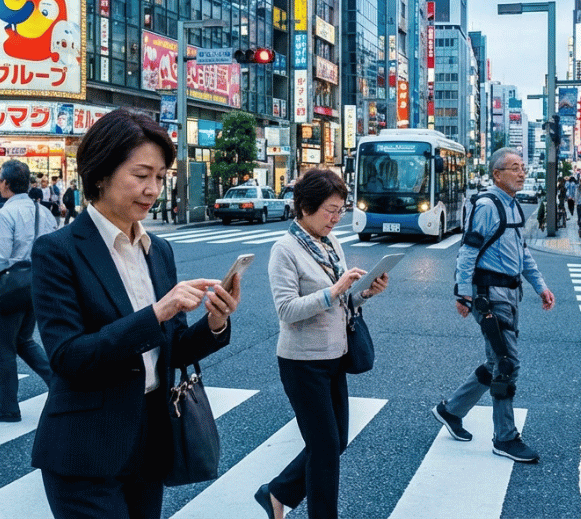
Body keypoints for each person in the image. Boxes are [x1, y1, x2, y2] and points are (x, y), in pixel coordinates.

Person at [29, 108, 242, 519]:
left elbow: (171, 350)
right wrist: (156, 314)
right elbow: (68, 357)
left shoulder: (158, 250)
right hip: (84, 451)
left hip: (149, 439)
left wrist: (215, 323)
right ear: (101, 173)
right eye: (141, 175)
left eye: (160, 177)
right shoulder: (58, 251)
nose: (153, 189)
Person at [256, 168, 389, 519]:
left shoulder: (331, 244)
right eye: (330, 210)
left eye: (340, 210)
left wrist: (363, 294)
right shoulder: (284, 250)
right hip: (302, 362)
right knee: (325, 447)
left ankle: (277, 492)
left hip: (335, 356)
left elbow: (342, 303)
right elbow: (286, 309)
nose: (336, 218)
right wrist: (334, 290)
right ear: (304, 208)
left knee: (335, 441)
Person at [432, 148, 555, 464]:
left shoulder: (513, 206)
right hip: (489, 295)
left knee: (497, 361)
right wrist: (463, 294)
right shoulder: (487, 205)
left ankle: (451, 409)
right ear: (497, 174)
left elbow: (523, 253)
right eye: (515, 168)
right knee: (506, 362)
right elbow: (467, 252)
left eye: (523, 167)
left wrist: (540, 286)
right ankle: (505, 437)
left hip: (511, 294)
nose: (522, 173)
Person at [0, 160, 55, 422]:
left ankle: (7, 408)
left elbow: (1, 258)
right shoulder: (41, 211)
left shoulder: (5, 214)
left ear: (6, 184)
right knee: (23, 340)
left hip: (10, 288)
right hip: (37, 284)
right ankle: (59, 382)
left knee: (4, 348)